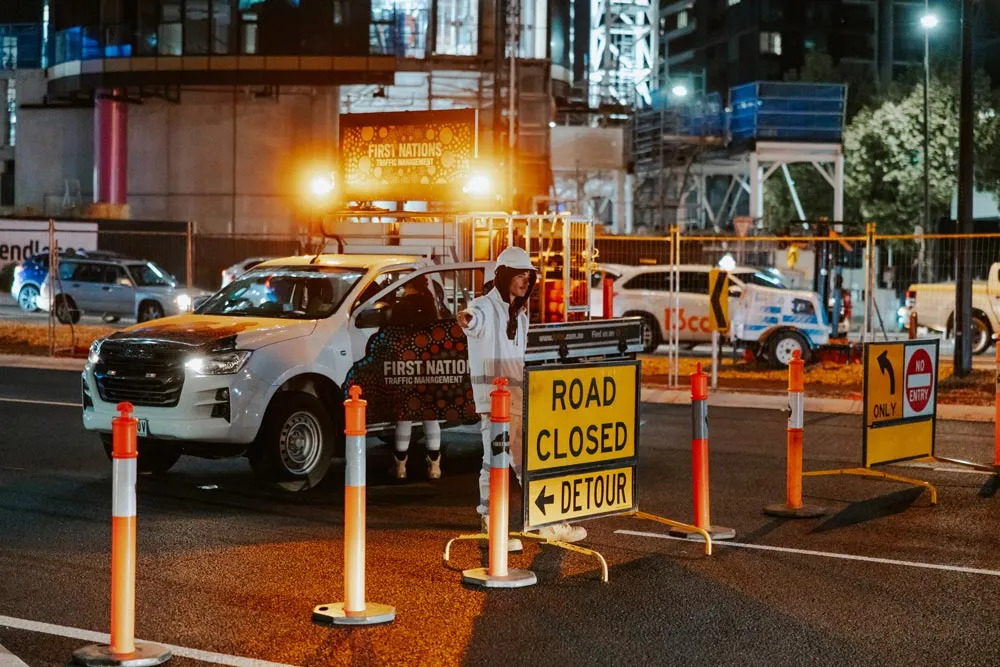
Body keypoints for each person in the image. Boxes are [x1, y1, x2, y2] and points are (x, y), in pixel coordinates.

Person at [457, 246, 588, 544]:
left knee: (501, 461)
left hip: (513, 400)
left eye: (529, 276)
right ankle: (544, 523)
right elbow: (472, 320)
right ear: (504, 277)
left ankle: (497, 522)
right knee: (513, 461)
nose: (526, 281)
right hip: (495, 401)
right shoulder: (484, 307)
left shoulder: (520, 314)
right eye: (520, 275)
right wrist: (466, 318)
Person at [389, 276, 444, 481]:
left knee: (405, 415)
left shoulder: (401, 306)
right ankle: (435, 466)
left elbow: (390, 334)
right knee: (430, 414)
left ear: (408, 286)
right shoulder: (430, 304)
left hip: (406, 363)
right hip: (428, 364)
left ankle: (401, 467)